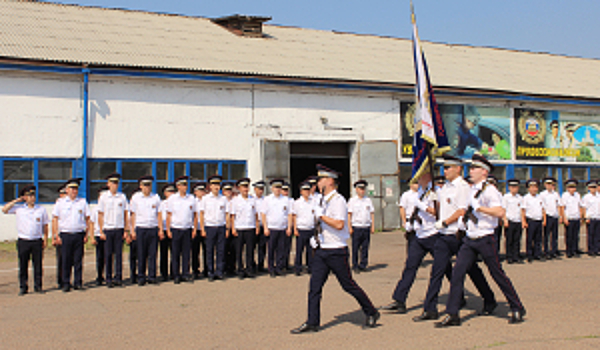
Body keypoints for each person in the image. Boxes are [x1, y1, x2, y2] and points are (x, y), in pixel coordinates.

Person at [436, 154, 525, 327]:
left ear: (484, 172)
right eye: (471, 168)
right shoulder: (471, 189)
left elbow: (499, 212)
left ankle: (517, 307)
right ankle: (453, 313)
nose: (471, 170)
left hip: (485, 237)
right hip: (470, 238)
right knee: (457, 273)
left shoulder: (490, 190)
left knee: (497, 274)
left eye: (475, 168)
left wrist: (480, 208)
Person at [291, 164, 379, 334]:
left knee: (348, 286)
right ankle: (312, 322)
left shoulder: (338, 201)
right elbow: (322, 222)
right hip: (323, 249)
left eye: (321, 179)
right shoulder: (323, 200)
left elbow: (339, 224)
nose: (318, 183)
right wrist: (316, 237)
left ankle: (372, 312)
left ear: (330, 181)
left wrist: (321, 215)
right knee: (314, 287)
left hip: (337, 251)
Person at [415, 154, 496, 322]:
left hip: (458, 235)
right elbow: (441, 210)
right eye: (444, 168)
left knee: (473, 271)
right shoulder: (443, 187)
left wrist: (444, 222)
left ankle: (489, 299)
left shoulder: (463, 187)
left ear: (458, 168)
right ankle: (430, 309)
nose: (445, 171)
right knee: (437, 271)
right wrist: (434, 203)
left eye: (448, 167)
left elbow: (461, 211)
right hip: (444, 236)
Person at [381, 173, 450, 315]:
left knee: (445, 268)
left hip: (434, 234)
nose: (417, 179)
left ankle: (458, 295)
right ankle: (399, 300)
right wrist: (408, 223)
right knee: (410, 267)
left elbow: (440, 213)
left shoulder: (437, 192)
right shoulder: (420, 192)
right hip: (419, 235)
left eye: (420, 176)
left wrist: (423, 207)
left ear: (428, 176)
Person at [2, 185, 49, 295]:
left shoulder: (41, 209)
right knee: (23, 265)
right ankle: (23, 287)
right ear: (25, 198)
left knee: (38, 265)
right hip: (24, 241)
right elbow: (4, 209)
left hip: (36, 240)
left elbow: (45, 225)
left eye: (33, 195)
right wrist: (17, 200)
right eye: (29, 196)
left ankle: (38, 286)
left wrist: (45, 239)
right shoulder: (19, 209)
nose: (32, 198)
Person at [52, 178, 91, 292]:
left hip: (78, 234)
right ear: (67, 190)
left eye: (76, 189)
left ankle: (78, 282)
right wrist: (56, 235)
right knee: (65, 260)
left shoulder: (82, 202)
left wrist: (86, 234)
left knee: (78, 260)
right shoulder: (60, 203)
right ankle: (65, 283)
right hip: (65, 234)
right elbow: (55, 219)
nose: (74, 191)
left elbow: (88, 218)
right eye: (72, 189)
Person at [97, 173, 130, 287]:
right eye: (112, 183)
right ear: (108, 184)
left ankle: (118, 277)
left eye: (116, 183)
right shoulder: (104, 197)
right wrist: (101, 231)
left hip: (119, 228)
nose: (115, 185)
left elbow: (126, 214)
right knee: (108, 255)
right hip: (108, 228)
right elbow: (100, 214)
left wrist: (126, 230)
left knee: (119, 255)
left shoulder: (122, 197)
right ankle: (109, 278)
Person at [130, 175, 162, 285]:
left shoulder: (156, 197)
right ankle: (141, 277)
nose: (147, 188)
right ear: (140, 186)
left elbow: (159, 214)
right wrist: (132, 230)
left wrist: (160, 229)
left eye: (148, 185)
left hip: (152, 228)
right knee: (141, 254)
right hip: (141, 228)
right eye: (144, 185)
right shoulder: (136, 198)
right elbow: (133, 215)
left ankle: (152, 276)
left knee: (152, 254)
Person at [166, 176, 197, 284]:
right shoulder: (172, 199)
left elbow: (195, 214)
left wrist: (194, 228)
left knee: (186, 253)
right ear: (178, 186)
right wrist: (168, 230)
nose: (185, 187)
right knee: (175, 253)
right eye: (182, 185)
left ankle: (185, 274)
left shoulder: (191, 198)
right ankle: (176, 275)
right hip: (176, 228)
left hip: (187, 228)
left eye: (186, 185)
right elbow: (169, 215)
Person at [199, 175, 229, 281]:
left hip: (221, 226)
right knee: (209, 251)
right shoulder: (205, 199)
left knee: (221, 251)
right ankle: (210, 272)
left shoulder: (224, 199)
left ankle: (219, 272)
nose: (216, 187)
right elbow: (201, 214)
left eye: (218, 184)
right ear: (210, 186)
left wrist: (227, 228)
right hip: (209, 227)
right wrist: (202, 229)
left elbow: (227, 214)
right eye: (214, 184)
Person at [261, 179, 293, 277]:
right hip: (271, 228)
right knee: (271, 249)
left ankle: (279, 268)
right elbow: (263, 214)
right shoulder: (267, 199)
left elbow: (289, 214)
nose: (278, 190)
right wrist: (265, 228)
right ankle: (271, 269)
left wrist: (289, 228)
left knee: (281, 249)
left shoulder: (285, 200)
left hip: (282, 228)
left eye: (279, 187)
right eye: (276, 187)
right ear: (272, 188)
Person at [229, 178, 259, 279]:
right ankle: (240, 270)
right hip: (239, 228)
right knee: (239, 251)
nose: (245, 189)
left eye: (247, 187)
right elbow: (232, 216)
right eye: (243, 187)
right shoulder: (235, 200)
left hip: (250, 227)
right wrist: (233, 228)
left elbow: (255, 215)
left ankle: (249, 270)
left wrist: (257, 226)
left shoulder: (252, 199)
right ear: (239, 188)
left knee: (250, 251)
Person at [348, 180, 375, 272]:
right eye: (360, 189)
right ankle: (355, 265)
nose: (362, 191)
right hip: (356, 226)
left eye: (363, 189)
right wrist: (349, 227)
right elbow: (349, 214)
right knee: (355, 247)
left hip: (366, 226)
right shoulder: (352, 201)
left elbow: (371, 213)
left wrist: (372, 226)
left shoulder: (368, 200)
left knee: (365, 247)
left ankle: (363, 265)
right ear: (356, 190)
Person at [292, 181, 316, 276]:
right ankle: (297, 268)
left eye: (308, 190)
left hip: (311, 228)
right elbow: (294, 216)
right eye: (305, 190)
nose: (307, 191)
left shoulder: (313, 202)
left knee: (310, 250)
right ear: (301, 191)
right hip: (301, 228)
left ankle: (310, 267)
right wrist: (295, 229)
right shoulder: (297, 202)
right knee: (299, 250)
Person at [522, 179, 546, 262]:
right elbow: (523, 211)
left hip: (538, 220)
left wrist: (544, 219)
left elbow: (543, 209)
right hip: (530, 220)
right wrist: (524, 221)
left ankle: (537, 254)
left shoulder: (540, 197)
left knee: (538, 239)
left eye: (535, 187)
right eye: (531, 187)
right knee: (530, 238)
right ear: (528, 189)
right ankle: (529, 254)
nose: (534, 189)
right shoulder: (526, 198)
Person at [539, 177, 562, 259]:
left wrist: (560, 216)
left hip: (555, 215)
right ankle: (545, 251)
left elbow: (559, 205)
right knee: (546, 235)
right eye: (548, 184)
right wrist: (544, 219)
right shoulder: (542, 194)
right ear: (545, 185)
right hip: (547, 216)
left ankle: (554, 251)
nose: (549, 186)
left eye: (551, 184)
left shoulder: (555, 194)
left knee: (555, 235)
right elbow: (542, 207)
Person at [90, 186, 109, 286]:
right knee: (100, 257)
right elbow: (92, 223)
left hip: (109, 233)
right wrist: (92, 237)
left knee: (109, 256)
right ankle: (99, 276)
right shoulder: (95, 209)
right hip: (99, 234)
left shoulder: (110, 207)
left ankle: (109, 275)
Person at [503, 179, 524, 264]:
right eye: (512, 187)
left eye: (515, 187)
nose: (514, 189)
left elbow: (522, 210)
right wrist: (505, 220)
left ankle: (516, 256)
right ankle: (509, 256)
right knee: (509, 240)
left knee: (517, 240)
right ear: (509, 188)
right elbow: (503, 209)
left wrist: (523, 221)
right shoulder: (506, 197)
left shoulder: (520, 197)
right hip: (510, 221)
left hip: (518, 221)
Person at [561, 179, 583, 258]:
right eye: (570, 187)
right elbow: (562, 207)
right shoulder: (565, 195)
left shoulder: (577, 195)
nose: (572, 189)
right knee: (569, 236)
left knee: (576, 236)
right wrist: (564, 218)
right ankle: (569, 251)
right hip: (569, 218)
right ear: (567, 188)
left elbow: (579, 206)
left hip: (576, 217)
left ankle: (575, 250)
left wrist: (580, 217)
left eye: (573, 187)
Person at [158, 183, 176, 281]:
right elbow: (159, 217)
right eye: (169, 191)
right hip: (164, 229)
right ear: (165, 193)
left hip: (174, 228)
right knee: (163, 253)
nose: (171, 193)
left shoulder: (177, 202)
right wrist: (160, 230)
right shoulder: (162, 203)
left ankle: (174, 272)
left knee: (174, 252)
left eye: (173, 191)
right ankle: (164, 274)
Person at [191, 182, 208, 279]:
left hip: (206, 228)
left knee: (207, 250)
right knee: (195, 251)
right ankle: (195, 270)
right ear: (195, 192)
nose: (202, 193)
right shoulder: (192, 202)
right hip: (196, 229)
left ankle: (206, 269)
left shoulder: (207, 201)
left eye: (203, 191)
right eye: (200, 191)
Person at [252, 180, 267, 274]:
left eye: (262, 189)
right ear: (255, 189)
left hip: (263, 225)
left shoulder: (265, 200)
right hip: (253, 226)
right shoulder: (251, 199)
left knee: (262, 247)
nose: (260, 191)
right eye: (259, 189)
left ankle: (260, 265)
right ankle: (252, 265)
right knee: (252, 247)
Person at [53, 185, 67, 289]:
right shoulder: (58, 205)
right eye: (63, 194)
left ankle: (68, 280)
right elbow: (54, 221)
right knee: (62, 259)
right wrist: (54, 236)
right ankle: (61, 281)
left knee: (70, 260)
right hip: (61, 234)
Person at [222, 182, 237, 276]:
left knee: (233, 249)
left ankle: (232, 268)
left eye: (230, 190)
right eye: (226, 190)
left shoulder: (235, 201)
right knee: (223, 249)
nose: (228, 192)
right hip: (224, 227)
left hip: (233, 227)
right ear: (223, 191)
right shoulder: (221, 200)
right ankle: (223, 268)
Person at [581, 180, 600, 257]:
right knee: (591, 234)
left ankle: (596, 249)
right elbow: (584, 208)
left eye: (595, 187)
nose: (593, 189)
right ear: (588, 188)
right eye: (592, 187)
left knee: (598, 235)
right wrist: (585, 217)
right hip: (591, 217)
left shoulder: (598, 196)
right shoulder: (586, 197)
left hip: (598, 217)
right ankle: (590, 250)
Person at [487, 175, 503, 254]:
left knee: (496, 238)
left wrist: (501, 219)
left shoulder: (498, 194)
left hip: (495, 220)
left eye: (492, 184)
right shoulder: (482, 194)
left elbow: (501, 208)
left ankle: (496, 253)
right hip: (486, 220)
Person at [126, 188, 139, 285]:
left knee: (142, 255)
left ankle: (141, 273)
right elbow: (127, 221)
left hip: (140, 232)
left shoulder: (140, 208)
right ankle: (133, 275)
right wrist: (128, 233)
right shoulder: (127, 208)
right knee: (133, 256)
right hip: (132, 233)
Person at [281, 182, 295, 271]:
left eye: (287, 190)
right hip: (281, 226)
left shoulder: (291, 201)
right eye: (284, 190)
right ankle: (280, 264)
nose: (285, 192)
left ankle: (286, 263)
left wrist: (291, 226)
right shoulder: (279, 200)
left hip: (288, 225)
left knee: (287, 246)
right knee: (280, 247)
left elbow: (293, 214)